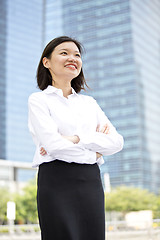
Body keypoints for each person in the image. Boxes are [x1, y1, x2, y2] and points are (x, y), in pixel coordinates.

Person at [28, 36, 124, 240]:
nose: (73, 58)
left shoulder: (89, 103)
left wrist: (75, 138)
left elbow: (116, 142)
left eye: (77, 55)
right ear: (46, 62)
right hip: (56, 180)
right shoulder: (38, 100)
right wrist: (95, 152)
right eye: (64, 53)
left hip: (90, 182)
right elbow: (54, 146)